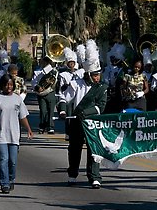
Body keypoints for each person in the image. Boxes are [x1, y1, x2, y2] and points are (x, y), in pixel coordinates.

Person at [63, 39, 108, 189]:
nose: (97, 77)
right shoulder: (76, 84)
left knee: (94, 150)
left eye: (98, 74)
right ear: (88, 74)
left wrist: (86, 112)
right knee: (74, 149)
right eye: (94, 75)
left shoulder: (102, 87)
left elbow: (100, 107)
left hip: (93, 122)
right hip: (77, 122)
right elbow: (64, 98)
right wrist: (62, 110)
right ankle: (72, 174)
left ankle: (94, 177)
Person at [0, 73, 34, 194]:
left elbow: (22, 116)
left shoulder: (17, 99)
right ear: (2, 85)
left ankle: (11, 178)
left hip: (14, 135)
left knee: (13, 161)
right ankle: (4, 183)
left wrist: (28, 129)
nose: (9, 87)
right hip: (0, 134)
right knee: (4, 159)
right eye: (7, 84)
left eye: (11, 84)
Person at [56, 46, 85, 140]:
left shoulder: (80, 73)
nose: (71, 65)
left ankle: (81, 134)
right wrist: (66, 86)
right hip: (69, 98)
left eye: (73, 63)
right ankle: (68, 133)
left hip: (79, 97)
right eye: (70, 63)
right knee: (69, 117)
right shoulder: (63, 75)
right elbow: (60, 88)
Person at [31, 56, 58, 134]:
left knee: (51, 111)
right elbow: (34, 82)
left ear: (47, 63)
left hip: (51, 92)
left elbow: (54, 81)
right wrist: (37, 87)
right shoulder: (38, 72)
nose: (41, 63)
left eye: (43, 62)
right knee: (43, 111)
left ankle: (50, 127)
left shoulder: (54, 71)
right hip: (41, 94)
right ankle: (42, 126)